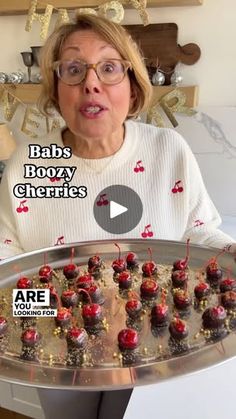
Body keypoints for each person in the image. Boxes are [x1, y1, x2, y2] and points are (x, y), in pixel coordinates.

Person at [0, 13, 235, 419]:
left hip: (156, 342)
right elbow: (6, 270)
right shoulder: (28, 163)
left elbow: (199, 234)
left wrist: (231, 250)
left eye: (109, 68)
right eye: (73, 69)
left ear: (132, 84)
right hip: (60, 353)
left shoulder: (167, 150)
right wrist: (72, 313)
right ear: (57, 90)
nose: (91, 83)